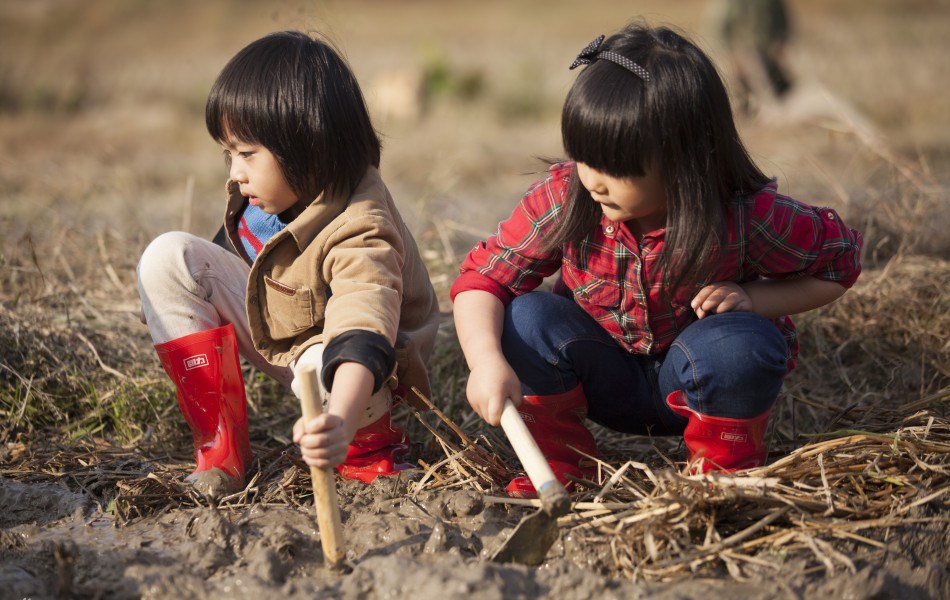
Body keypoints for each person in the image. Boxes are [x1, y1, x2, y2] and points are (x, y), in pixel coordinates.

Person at [451, 22, 862, 498]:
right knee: (525, 318)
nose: (594, 180)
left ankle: (719, 475)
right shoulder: (566, 197)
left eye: (617, 168)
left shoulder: (743, 213)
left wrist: (754, 299)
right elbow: (483, 279)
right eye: (584, 157)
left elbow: (839, 263)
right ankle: (560, 466)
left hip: (699, 378)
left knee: (743, 344)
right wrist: (485, 361)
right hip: (602, 376)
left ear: (686, 160)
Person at [137, 31, 440, 498]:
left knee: (324, 365)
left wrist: (339, 418)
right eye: (228, 154)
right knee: (167, 258)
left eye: (246, 154)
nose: (235, 173)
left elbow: (363, 330)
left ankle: (366, 448)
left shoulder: (362, 226)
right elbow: (229, 262)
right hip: (294, 334)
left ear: (308, 148)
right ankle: (220, 453)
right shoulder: (270, 193)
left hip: (364, 372)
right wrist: (171, 299)